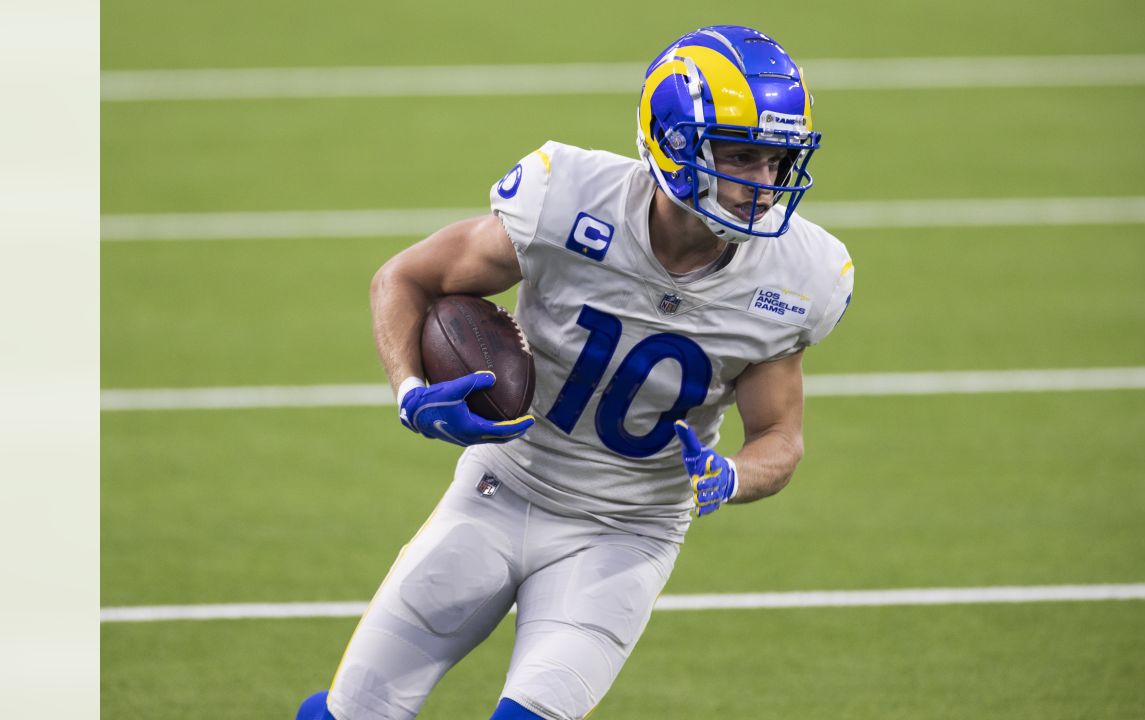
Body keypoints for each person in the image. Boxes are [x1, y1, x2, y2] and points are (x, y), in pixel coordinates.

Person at [297, 24, 854, 720]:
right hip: (501, 488)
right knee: (353, 712)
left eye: (778, 161)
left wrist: (735, 475)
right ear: (675, 145)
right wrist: (411, 391)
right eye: (743, 157)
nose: (764, 186)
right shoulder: (568, 199)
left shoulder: (799, 274)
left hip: (627, 530)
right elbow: (405, 277)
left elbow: (779, 435)